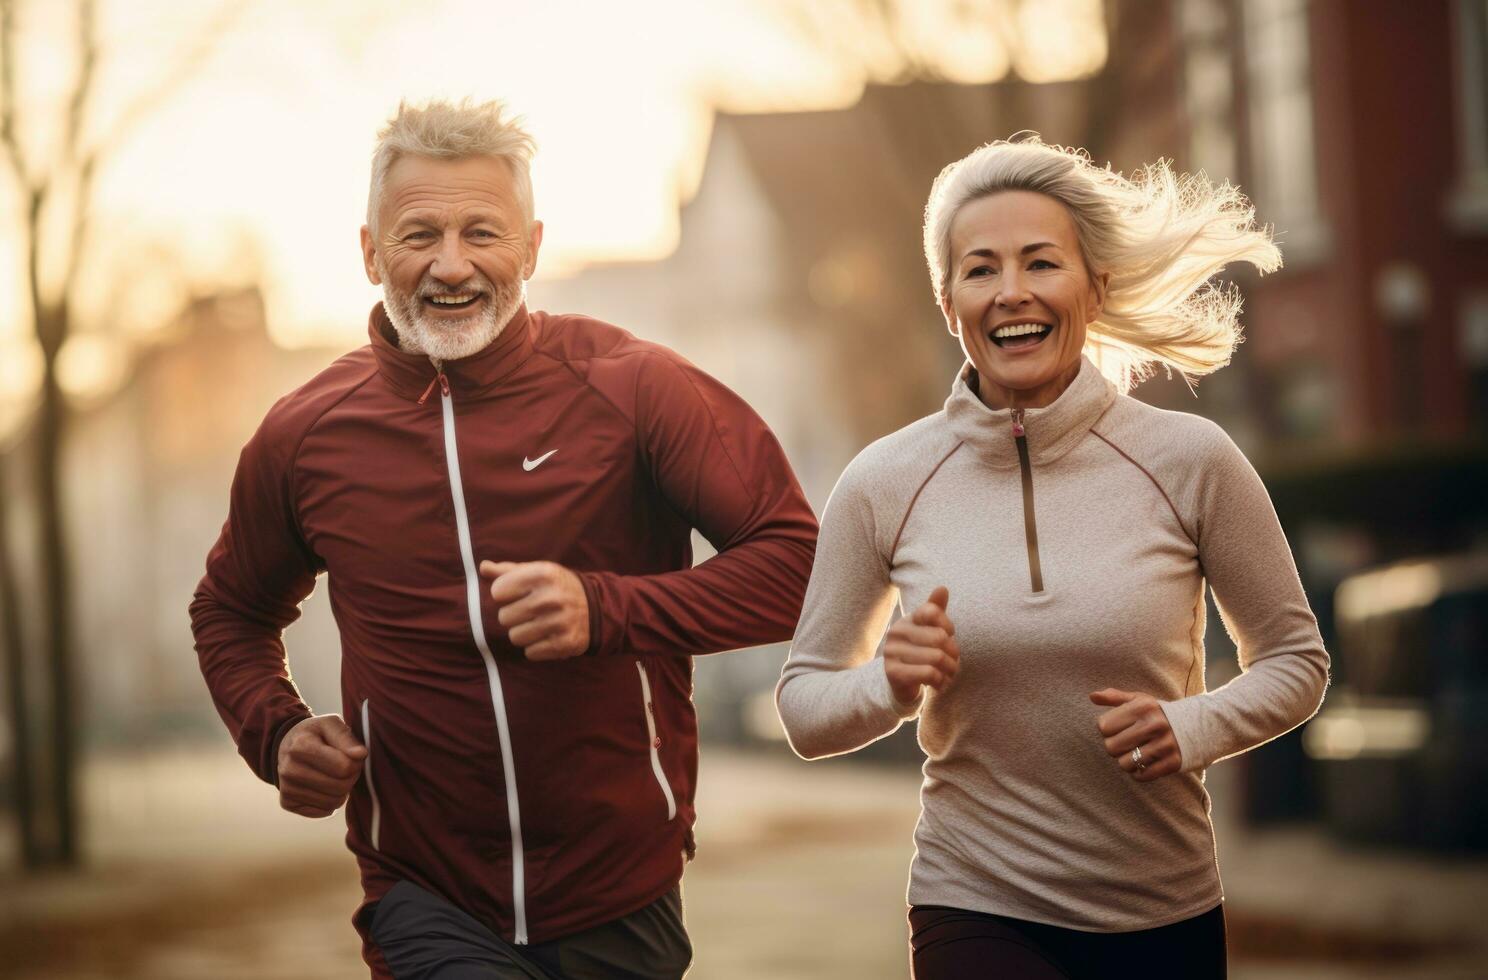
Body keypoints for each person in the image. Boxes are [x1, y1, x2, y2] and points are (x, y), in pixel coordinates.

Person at [190, 98, 818, 980]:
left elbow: (796, 565)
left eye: (482, 232)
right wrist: (278, 732)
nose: (452, 265)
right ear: (371, 254)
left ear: (531, 246)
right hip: (425, 893)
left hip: (621, 889)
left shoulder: (635, 389)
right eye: (419, 235)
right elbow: (230, 610)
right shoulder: (305, 434)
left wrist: (605, 608)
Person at [775, 136, 1330, 979]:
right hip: (974, 899)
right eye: (980, 270)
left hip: (1163, 903)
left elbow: (1296, 661)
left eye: (1041, 263)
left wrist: (1193, 725)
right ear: (947, 299)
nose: (1012, 294)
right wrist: (885, 682)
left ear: (1095, 287)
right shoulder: (884, 482)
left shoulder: (1191, 459)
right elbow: (805, 707)